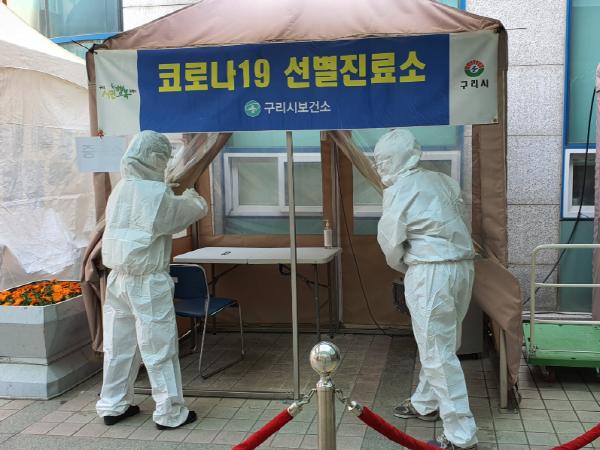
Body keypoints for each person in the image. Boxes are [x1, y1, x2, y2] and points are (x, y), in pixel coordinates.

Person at [96, 130, 208, 429]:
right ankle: (170, 413)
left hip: (117, 279)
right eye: (165, 158)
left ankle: (113, 405)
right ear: (156, 158)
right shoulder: (157, 194)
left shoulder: (121, 188)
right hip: (147, 282)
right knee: (159, 347)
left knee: (118, 347)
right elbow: (192, 211)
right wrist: (191, 193)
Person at [374, 129, 477, 450]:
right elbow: (461, 221)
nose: (379, 167)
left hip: (431, 271)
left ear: (397, 159)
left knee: (436, 351)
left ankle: (461, 435)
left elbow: (390, 241)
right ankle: (425, 402)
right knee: (444, 342)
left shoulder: (399, 190)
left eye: (383, 160)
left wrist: (406, 265)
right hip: (462, 266)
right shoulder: (443, 180)